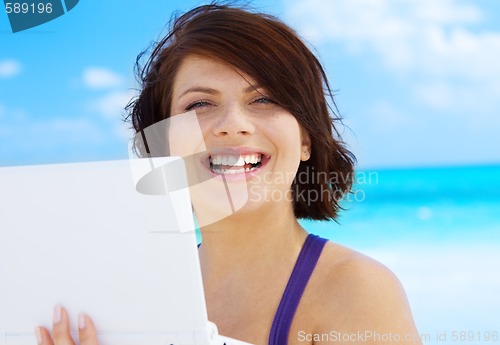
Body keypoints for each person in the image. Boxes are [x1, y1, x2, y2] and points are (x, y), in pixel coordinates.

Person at [36, 4, 422, 345]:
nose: (232, 125)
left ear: (306, 139)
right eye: (200, 103)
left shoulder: (356, 291)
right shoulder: (131, 295)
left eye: (265, 99)